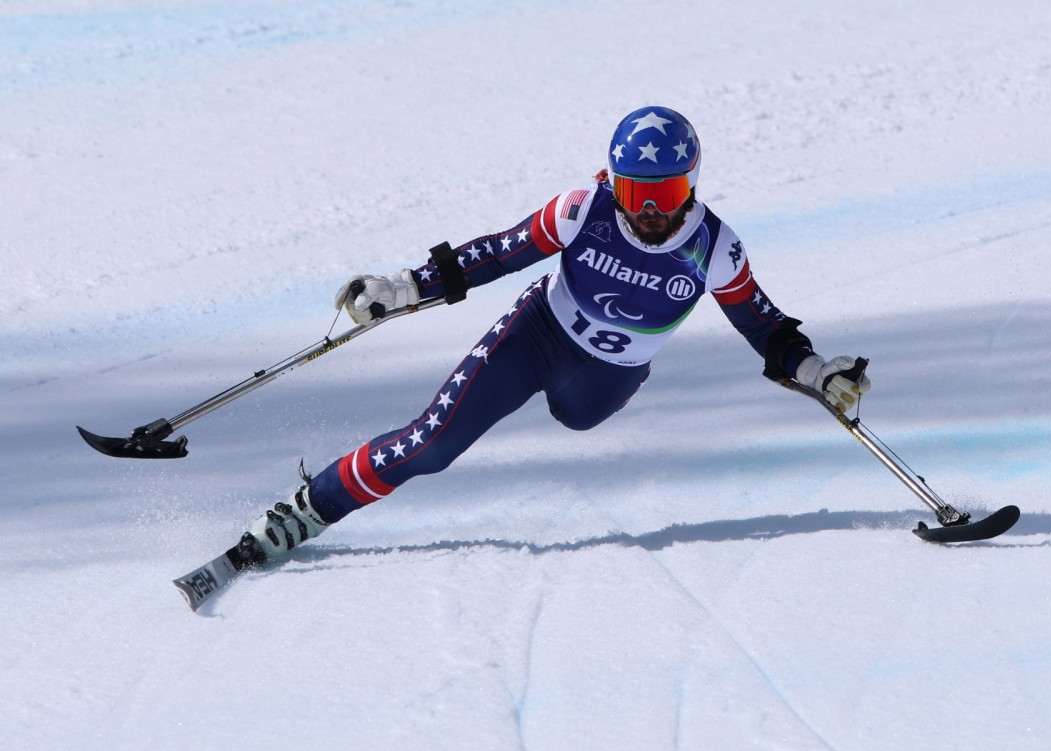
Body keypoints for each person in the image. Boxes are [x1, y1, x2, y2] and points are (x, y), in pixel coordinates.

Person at [230, 106, 871, 565]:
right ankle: (308, 509)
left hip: (604, 381)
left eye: (667, 192)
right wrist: (405, 286)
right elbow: (497, 254)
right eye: (634, 191)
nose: (649, 211)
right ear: (611, 181)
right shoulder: (582, 209)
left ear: (693, 186)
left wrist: (817, 372)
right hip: (536, 336)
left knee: (578, 416)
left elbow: (761, 324)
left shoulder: (715, 250)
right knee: (433, 442)